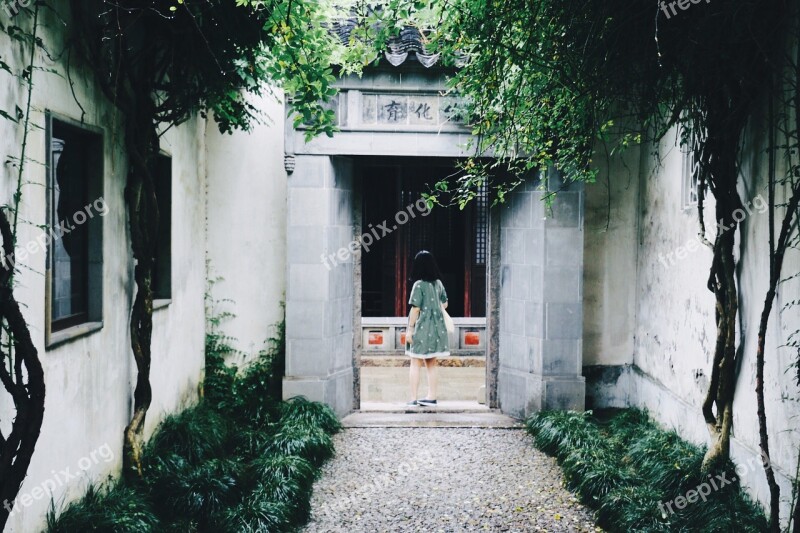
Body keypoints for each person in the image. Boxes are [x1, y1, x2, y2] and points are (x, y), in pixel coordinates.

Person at [405, 250, 450, 407]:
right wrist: (434, 307)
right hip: (437, 329)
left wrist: (410, 330)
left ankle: (413, 398)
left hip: (422, 328)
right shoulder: (438, 284)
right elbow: (445, 304)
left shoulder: (419, 285)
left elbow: (415, 309)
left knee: (415, 362)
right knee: (431, 363)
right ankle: (431, 397)